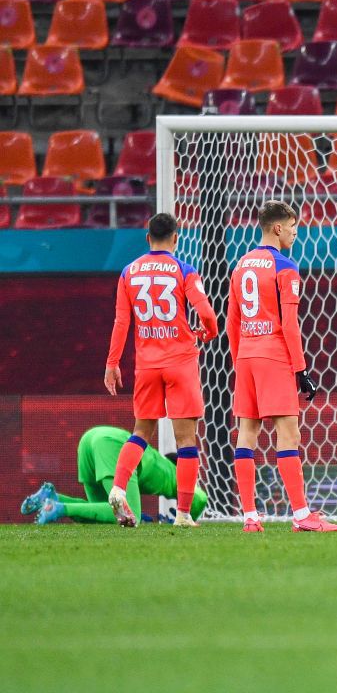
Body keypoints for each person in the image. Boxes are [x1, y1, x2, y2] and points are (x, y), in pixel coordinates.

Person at [227, 201, 337, 533]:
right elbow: (290, 325)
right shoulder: (285, 266)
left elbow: (233, 322)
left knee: (247, 434)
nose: (295, 232)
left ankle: (249, 516)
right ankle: (302, 515)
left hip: (246, 355)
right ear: (277, 228)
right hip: (274, 355)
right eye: (292, 226)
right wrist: (301, 369)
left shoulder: (241, 265)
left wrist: (240, 360)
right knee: (288, 434)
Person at [104, 213, 218, 528]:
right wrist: (206, 333)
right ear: (176, 238)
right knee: (186, 441)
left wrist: (112, 363)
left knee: (141, 432)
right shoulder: (185, 271)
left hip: (148, 364)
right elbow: (206, 313)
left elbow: (121, 322)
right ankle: (182, 514)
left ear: (147, 238)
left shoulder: (129, 273)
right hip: (180, 361)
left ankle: (117, 488)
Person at [22, 426, 209, 525]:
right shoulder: (176, 474)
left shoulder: (157, 461)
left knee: (101, 515)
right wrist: (183, 518)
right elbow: (201, 498)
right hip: (112, 444)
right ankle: (59, 508)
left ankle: (53, 498)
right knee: (130, 515)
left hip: (90, 439)